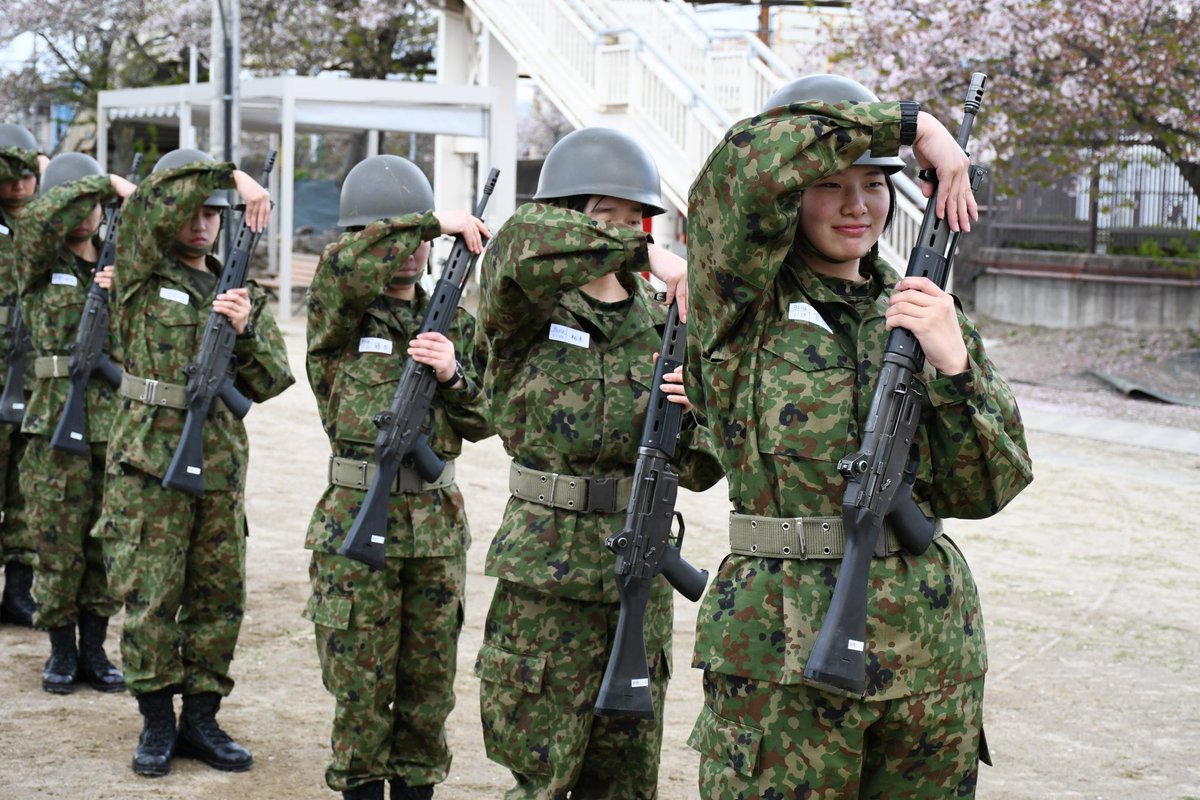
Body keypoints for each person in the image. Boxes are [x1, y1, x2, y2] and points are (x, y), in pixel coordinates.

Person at [683, 74, 1034, 798]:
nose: (856, 204)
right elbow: (738, 165)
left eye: (875, 183)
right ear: (789, 193)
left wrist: (955, 364)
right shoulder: (738, 305)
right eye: (829, 183)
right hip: (781, 655)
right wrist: (913, 127)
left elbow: (989, 483)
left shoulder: (920, 307)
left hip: (928, 657)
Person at [473, 127, 723, 799]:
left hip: (636, 572)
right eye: (598, 218)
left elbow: (702, 468)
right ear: (564, 216)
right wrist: (653, 254)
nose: (616, 231)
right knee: (541, 778)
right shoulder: (523, 304)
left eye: (629, 217)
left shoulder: (666, 319)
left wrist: (697, 413)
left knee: (627, 782)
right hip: (545, 577)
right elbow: (517, 243)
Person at [96, 147, 294, 777]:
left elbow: (270, 381)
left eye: (215, 211)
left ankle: (202, 718)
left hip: (218, 465)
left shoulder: (240, 290)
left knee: (217, 594)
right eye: (192, 209)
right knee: (151, 593)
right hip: (149, 460)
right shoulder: (136, 272)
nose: (203, 221)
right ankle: (156, 720)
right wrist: (230, 175)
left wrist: (245, 331)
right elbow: (149, 204)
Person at [303, 154, 492, 800]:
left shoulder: (454, 323)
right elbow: (338, 269)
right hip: (356, 520)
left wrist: (452, 375)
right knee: (360, 692)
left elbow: (486, 417)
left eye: (422, 241)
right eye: (395, 233)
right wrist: (432, 220)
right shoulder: (340, 317)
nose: (412, 249)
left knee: (426, 694)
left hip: (435, 533)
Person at [16, 152, 136, 694]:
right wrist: (105, 181)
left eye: (95, 206)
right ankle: (61, 650)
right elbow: (38, 220)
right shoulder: (38, 262)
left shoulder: (120, 267)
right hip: (52, 422)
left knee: (103, 543)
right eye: (76, 202)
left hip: (111, 425)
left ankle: (95, 647)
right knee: (56, 540)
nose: (85, 215)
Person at [0, 123, 44, 627]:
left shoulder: (49, 223)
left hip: (33, 372)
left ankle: (18, 589)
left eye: (29, 173)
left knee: (27, 487)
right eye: (12, 171)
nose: (20, 183)